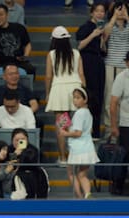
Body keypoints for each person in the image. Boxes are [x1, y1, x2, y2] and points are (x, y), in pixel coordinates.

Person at [45, 26, 85, 164]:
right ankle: (77, 157)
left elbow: (49, 77)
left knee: (62, 126)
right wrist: (84, 94)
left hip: (59, 91)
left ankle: (63, 158)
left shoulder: (51, 54)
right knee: (78, 125)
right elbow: (81, 75)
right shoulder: (76, 53)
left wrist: (48, 93)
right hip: (76, 90)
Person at [61, 86, 99, 199]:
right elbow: (89, 130)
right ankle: (87, 194)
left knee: (71, 173)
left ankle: (79, 197)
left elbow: (78, 133)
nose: (75, 100)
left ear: (85, 99)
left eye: (78, 98)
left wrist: (65, 134)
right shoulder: (88, 113)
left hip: (78, 148)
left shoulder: (79, 113)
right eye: (74, 98)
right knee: (82, 174)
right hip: (88, 148)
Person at [0, 0, 33, 74]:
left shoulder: (19, 28)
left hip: (18, 63)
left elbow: (27, 44)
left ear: (7, 15)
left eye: (1, 15)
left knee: (31, 70)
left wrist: (25, 56)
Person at [100, 2, 127, 131]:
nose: (121, 11)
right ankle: (109, 127)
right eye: (119, 9)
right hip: (111, 65)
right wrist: (114, 18)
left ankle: (122, 127)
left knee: (124, 99)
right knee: (109, 98)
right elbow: (104, 37)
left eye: (124, 9)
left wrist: (127, 17)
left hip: (126, 66)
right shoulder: (109, 25)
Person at [109, 50, 129, 194]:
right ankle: (119, 185)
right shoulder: (121, 78)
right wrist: (114, 126)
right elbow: (113, 103)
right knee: (124, 155)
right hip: (126, 124)